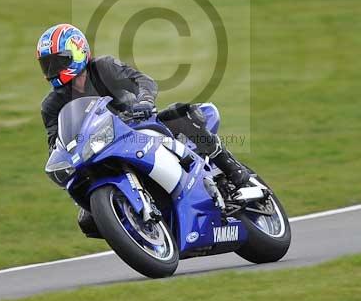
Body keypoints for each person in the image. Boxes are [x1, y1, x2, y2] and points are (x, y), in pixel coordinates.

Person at [36, 23, 250, 236]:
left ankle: (233, 169)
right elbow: (56, 141)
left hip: (138, 126)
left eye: (58, 61)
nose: (52, 70)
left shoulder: (103, 67)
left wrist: (144, 101)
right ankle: (136, 227)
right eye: (47, 65)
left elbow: (142, 81)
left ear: (77, 52)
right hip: (98, 149)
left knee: (181, 115)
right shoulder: (51, 106)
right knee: (88, 220)